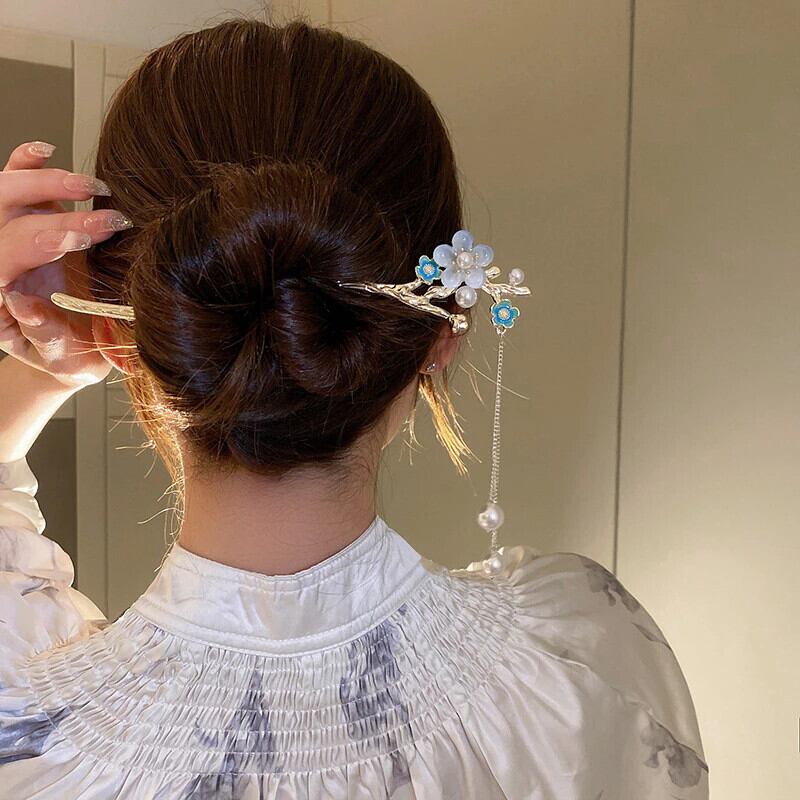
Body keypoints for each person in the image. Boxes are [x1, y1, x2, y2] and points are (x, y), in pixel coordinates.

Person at [0, 15, 708, 800]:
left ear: (114, 330)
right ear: (440, 334)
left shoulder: (28, 745)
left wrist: (52, 365)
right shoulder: (580, 666)